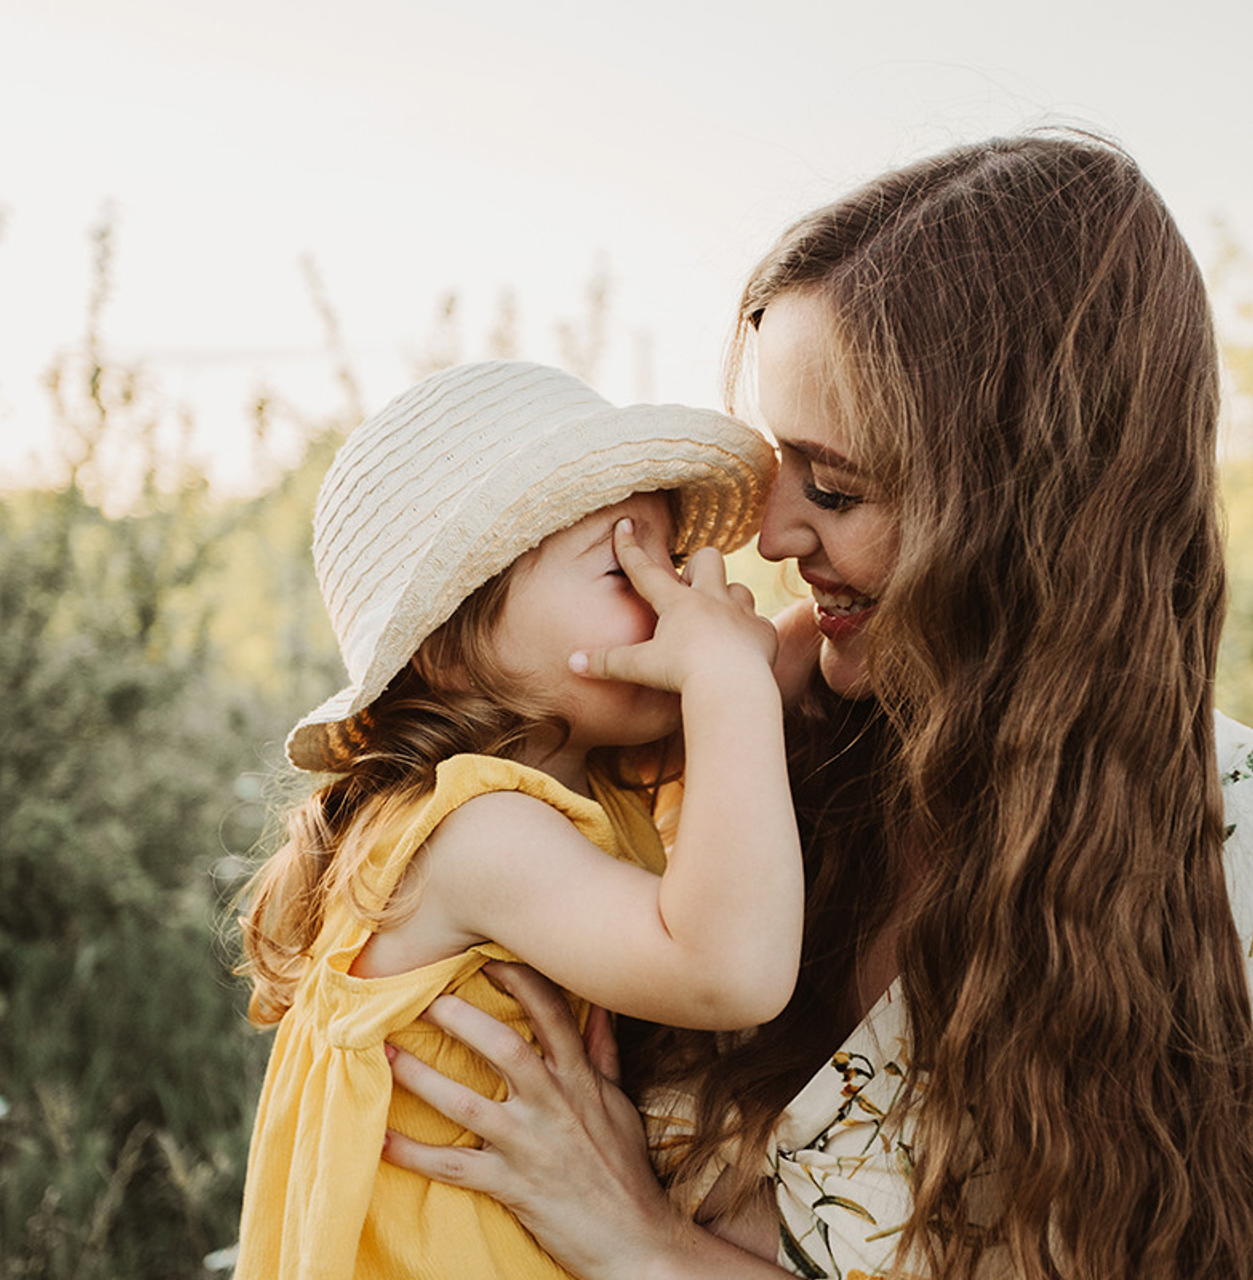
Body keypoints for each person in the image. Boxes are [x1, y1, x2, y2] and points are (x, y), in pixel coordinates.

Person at [379, 134, 1253, 1279]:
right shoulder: (764, 737)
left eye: (832, 487)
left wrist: (644, 1246)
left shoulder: (1223, 870)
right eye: (777, 464)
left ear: (1022, 510)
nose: (769, 529)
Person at [231, 360, 802, 1279]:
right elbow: (731, 971)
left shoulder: (595, 782)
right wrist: (728, 677)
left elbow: (779, 712)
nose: (681, 597)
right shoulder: (476, 833)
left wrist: (759, 651)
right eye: (623, 567)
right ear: (452, 650)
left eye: (673, 560)